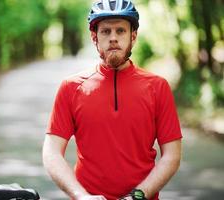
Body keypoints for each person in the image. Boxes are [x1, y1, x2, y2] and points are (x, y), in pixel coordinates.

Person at [42, 0, 182, 199]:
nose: (113, 38)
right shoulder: (71, 88)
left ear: (133, 36)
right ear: (94, 38)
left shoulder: (157, 87)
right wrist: (81, 196)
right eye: (106, 31)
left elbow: (172, 155)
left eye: (121, 31)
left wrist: (138, 196)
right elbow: (52, 152)